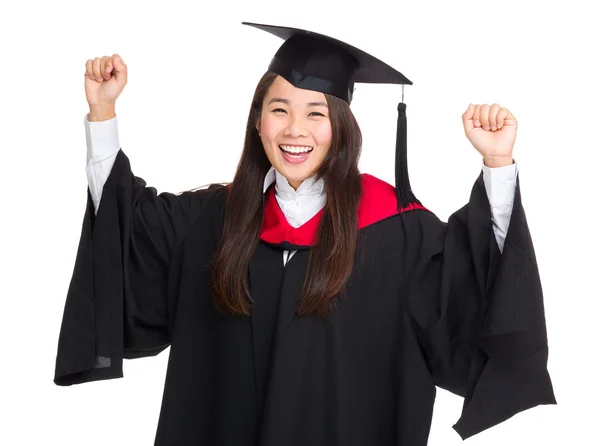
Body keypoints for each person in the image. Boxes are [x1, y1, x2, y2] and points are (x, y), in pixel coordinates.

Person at [54, 22, 556, 446]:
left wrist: (497, 165)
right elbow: (125, 232)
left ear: (341, 127)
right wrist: (103, 114)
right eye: (279, 110)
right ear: (257, 123)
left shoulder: (398, 232)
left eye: (316, 113)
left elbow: (480, 296)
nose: (295, 130)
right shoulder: (212, 222)